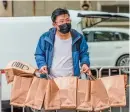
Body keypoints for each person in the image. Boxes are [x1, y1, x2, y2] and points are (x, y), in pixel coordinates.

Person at [35, 8, 91, 111]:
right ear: (54, 24)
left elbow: (84, 53)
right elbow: (39, 54)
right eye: (61, 21)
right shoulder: (45, 38)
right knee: (48, 109)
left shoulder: (78, 37)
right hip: (51, 82)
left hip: (71, 83)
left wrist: (84, 63)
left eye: (67, 20)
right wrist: (42, 64)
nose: (65, 23)